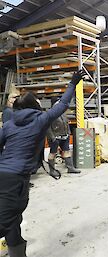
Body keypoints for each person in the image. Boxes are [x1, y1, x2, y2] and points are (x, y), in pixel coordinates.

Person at [0, 70, 84, 257]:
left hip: (3, 174)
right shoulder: (40, 120)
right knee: (6, 221)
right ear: (34, 106)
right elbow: (62, 104)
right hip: (16, 179)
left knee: (14, 220)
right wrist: (73, 83)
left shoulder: (9, 123)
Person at [47, 97, 81, 175]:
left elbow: (66, 123)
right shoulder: (50, 113)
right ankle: (52, 170)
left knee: (67, 151)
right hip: (55, 137)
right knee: (53, 153)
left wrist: (68, 134)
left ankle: (70, 168)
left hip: (64, 136)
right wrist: (52, 137)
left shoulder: (62, 113)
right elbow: (47, 127)